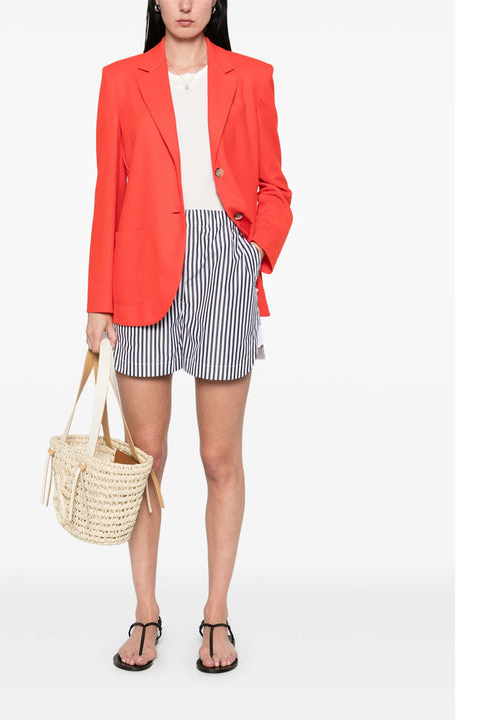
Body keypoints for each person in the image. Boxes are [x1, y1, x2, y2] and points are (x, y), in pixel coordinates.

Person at [84, 0, 293, 673]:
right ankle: (145, 612)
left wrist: (250, 255)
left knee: (218, 458)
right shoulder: (121, 79)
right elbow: (108, 193)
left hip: (224, 265)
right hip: (141, 270)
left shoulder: (252, 76)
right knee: (145, 458)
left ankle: (216, 614)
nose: (184, 4)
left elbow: (274, 188)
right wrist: (98, 300)